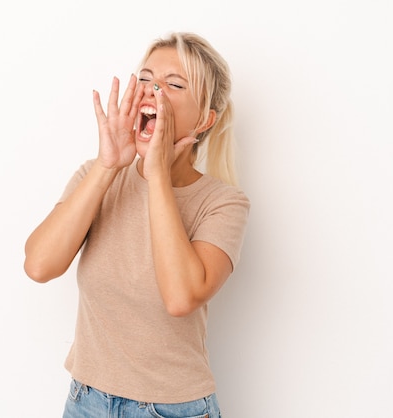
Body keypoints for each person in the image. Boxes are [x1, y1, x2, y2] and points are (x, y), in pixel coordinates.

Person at [24, 31, 249, 418]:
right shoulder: (97, 177)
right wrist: (107, 165)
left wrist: (158, 175)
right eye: (145, 79)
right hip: (85, 402)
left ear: (205, 120)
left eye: (173, 84)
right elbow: (39, 266)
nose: (152, 91)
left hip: (173, 410)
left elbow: (180, 298)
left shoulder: (223, 204)